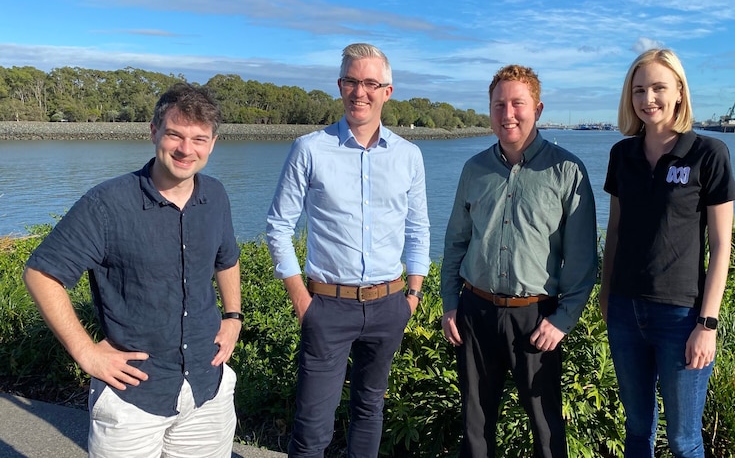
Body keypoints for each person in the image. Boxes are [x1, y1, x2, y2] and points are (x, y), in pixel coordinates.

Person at [23, 82, 242, 457]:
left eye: (199, 139)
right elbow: (42, 274)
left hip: (208, 389)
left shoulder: (215, 195)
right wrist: (85, 352)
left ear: (213, 143)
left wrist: (234, 316)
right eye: (174, 134)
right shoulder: (107, 205)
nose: (186, 149)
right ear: (154, 131)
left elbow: (227, 258)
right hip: (132, 397)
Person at [266, 42, 430, 458]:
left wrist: (412, 295)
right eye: (352, 81)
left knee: (370, 410)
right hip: (327, 307)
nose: (361, 92)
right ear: (340, 86)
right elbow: (278, 228)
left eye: (371, 83)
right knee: (312, 424)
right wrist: (303, 301)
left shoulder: (409, 156)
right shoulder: (309, 149)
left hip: (389, 303)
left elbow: (418, 228)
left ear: (387, 91)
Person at [440, 64, 598, 457]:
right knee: (475, 426)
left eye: (517, 104)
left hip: (537, 318)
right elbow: (456, 242)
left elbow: (582, 258)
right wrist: (449, 304)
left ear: (538, 109)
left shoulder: (567, 171)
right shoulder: (474, 169)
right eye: (498, 105)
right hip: (475, 312)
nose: (507, 114)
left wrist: (563, 320)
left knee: (546, 430)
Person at [599, 48, 735, 457]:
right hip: (625, 310)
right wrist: (607, 295)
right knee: (637, 430)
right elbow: (615, 232)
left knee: (683, 439)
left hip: (681, 316)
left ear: (679, 91)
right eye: (639, 90)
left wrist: (707, 324)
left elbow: (721, 246)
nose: (648, 99)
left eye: (659, 87)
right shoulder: (622, 154)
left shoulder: (708, 154)